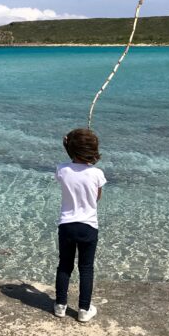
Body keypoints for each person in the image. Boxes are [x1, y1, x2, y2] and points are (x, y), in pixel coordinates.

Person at [54, 128, 105, 322]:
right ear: (93, 150)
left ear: (69, 148)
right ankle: (84, 309)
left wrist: (67, 146)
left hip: (66, 225)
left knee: (65, 266)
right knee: (86, 268)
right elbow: (96, 198)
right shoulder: (97, 174)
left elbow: (69, 166)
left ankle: (60, 305)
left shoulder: (62, 169)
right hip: (88, 226)